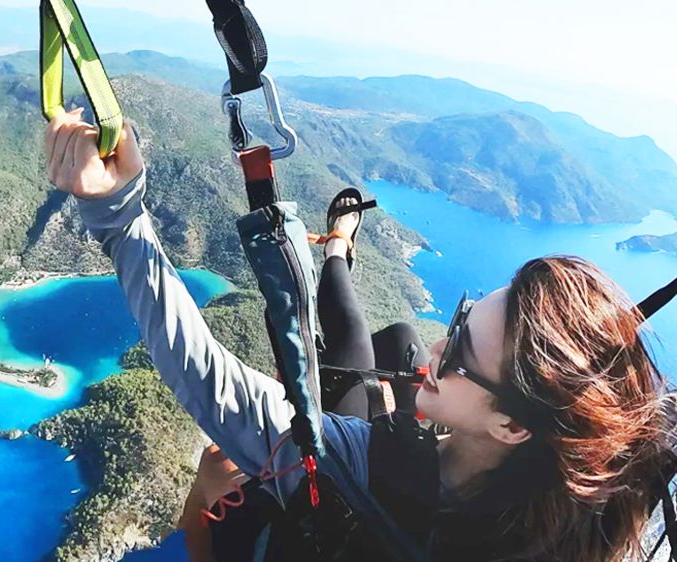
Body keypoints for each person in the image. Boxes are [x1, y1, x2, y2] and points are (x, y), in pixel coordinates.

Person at [44, 108, 676, 561]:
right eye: (460, 316)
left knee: (377, 356)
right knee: (398, 341)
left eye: (459, 351)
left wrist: (119, 214)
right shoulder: (577, 520)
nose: (440, 345)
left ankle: (339, 249)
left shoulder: (358, 465)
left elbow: (204, 374)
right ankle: (339, 251)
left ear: (512, 425)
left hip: (318, 510)